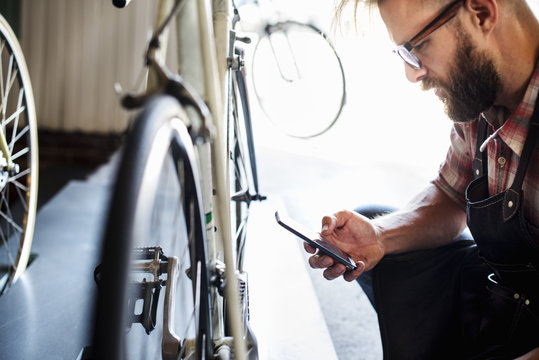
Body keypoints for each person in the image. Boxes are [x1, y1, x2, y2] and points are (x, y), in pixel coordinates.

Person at [304, 0, 539, 358]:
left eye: (418, 46)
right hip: (508, 294)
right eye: (403, 52)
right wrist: (380, 237)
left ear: (481, 13)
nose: (412, 74)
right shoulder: (479, 94)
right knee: (375, 224)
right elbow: (450, 194)